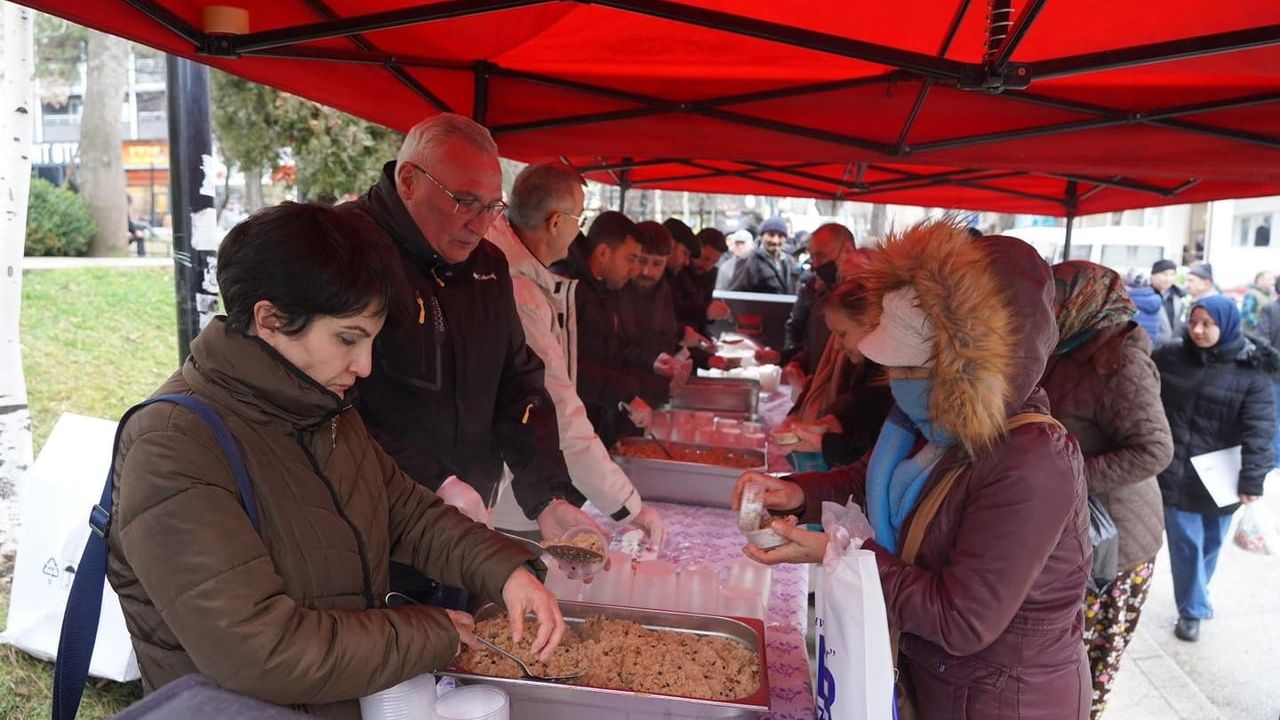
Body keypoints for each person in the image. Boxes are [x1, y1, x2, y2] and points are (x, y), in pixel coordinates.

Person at [106, 203, 563, 719]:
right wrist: (431, 633)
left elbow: (408, 514)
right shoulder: (172, 446)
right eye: (348, 339)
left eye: (371, 340)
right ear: (270, 319)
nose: (364, 366)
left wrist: (505, 571)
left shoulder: (323, 410)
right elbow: (259, 650)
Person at [731, 221, 1091, 719]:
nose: (892, 381)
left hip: (1000, 701)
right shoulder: (933, 418)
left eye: (907, 369)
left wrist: (839, 555)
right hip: (931, 679)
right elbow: (872, 477)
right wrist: (795, 494)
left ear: (961, 369)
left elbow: (962, 618)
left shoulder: (1031, 460)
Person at [345, 113, 599, 600]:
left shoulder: (487, 265)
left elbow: (519, 384)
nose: (479, 225)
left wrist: (547, 493)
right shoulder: (348, 249)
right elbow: (329, 406)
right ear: (409, 180)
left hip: (466, 529)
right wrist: (435, 482)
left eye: (491, 207)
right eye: (464, 202)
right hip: (372, 537)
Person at [486, 162, 665, 544]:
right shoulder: (520, 292)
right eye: (577, 218)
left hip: (517, 480)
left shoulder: (523, 277)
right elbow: (557, 407)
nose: (578, 231)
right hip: (510, 485)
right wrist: (628, 506)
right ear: (555, 222)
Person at [1040, 261, 1174, 718]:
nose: (1046, 309)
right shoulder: (1069, 344)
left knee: (1086, 666)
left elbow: (1155, 449)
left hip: (1115, 546)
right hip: (1078, 525)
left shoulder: (1121, 363)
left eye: (1054, 299)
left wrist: (1069, 477)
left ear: (1084, 302)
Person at [1153, 295, 1277, 641]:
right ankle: (1192, 609)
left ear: (1226, 324)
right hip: (1176, 471)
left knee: (1210, 543)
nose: (1197, 330)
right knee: (1186, 544)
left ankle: (1196, 594)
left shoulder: (1252, 372)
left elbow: (1260, 430)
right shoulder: (1170, 357)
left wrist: (1253, 477)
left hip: (1222, 478)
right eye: (1194, 322)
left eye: (1207, 324)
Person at [783, 277, 893, 470]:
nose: (837, 345)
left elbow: (875, 435)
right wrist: (835, 419)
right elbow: (858, 402)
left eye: (842, 334)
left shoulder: (890, 372)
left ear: (870, 322)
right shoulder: (869, 365)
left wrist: (826, 444)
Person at [782, 223, 859, 380]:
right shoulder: (820, 293)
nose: (816, 264)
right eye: (813, 257)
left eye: (821, 255)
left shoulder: (864, 301)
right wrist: (796, 362)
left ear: (848, 250)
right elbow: (813, 345)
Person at [671, 226, 732, 334]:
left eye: (714, 262)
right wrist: (706, 311)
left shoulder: (710, 274)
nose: (707, 266)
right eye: (706, 258)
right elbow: (675, 307)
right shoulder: (678, 269)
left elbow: (703, 319)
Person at [728, 217, 798, 294]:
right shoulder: (748, 260)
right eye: (771, 235)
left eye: (780, 236)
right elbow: (736, 294)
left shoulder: (790, 262)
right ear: (762, 236)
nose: (775, 240)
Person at [1260, 275, 1280, 470]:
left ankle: (1274, 462)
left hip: (1274, 373)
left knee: (1273, 419)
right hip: (1274, 374)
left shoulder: (1271, 309)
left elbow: (1263, 340)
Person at [1125, 271, 1173, 347]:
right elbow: (1167, 332)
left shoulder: (1126, 300)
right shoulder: (1156, 300)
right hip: (1149, 346)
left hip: (1128, 346)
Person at [1151, 258, 1185, 340]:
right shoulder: (1145, 297)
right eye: (1164, 274)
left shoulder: (1179, 297)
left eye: (1172, 275)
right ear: (1153, 275)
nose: (1168, 278)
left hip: (1174, 347)